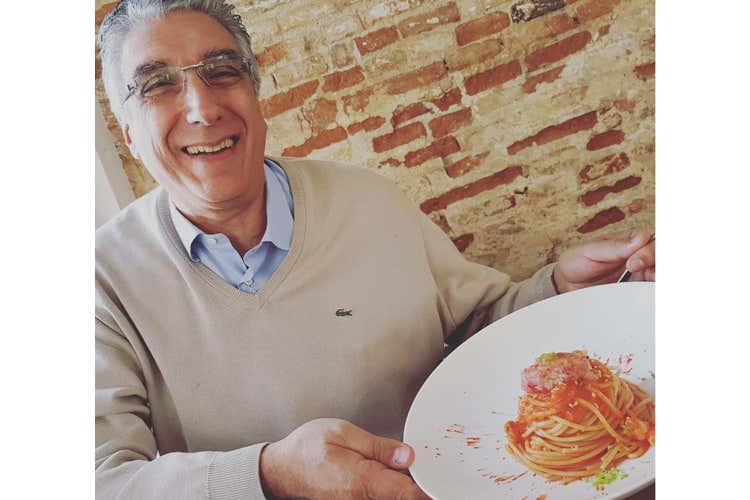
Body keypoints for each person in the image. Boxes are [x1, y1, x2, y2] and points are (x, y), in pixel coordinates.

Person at [95, 1, 656, 498]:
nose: (202, 107)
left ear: (256, 93)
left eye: (222, 71)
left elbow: (481, 320)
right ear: (127, 130)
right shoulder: (99, 283)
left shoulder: (369, 200)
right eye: (157, 84)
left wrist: (559, 290)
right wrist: (267, 476)